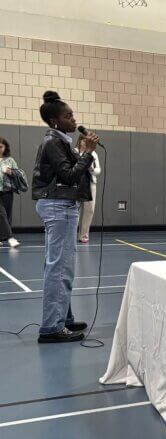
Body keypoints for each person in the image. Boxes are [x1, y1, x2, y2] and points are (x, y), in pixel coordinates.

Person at [31, 91, 99, 343]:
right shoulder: (53, 142)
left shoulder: (60, 141)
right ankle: (51, 327)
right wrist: (87, 153)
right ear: (54, 122)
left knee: (60, 266)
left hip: (61, 206)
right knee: (60, 268)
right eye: (68, 116)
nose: (74, 120)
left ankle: (64, 318)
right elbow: (69, 175)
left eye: (73, 115)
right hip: (58, 207)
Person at [74, 135, 100, 244]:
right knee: (75, 210)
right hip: (77, 184)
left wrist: (92, 169)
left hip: (90, 183)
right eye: (84, 140)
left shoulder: (93, 154)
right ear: (80, 141)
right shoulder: (73, 152)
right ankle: (71, 235)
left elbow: (98, 170)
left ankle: (84, 235)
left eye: (87, 140)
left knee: (90, 210)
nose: (86, 142)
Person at [0, 137, 21, 247]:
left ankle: (2, 237)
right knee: (1, 213)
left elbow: (18, 174)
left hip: (7, 190)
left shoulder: (10, 160)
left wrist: (9, 171)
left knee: (7, 215)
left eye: (1, 147)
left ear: (5, 147)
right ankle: (10, 237)